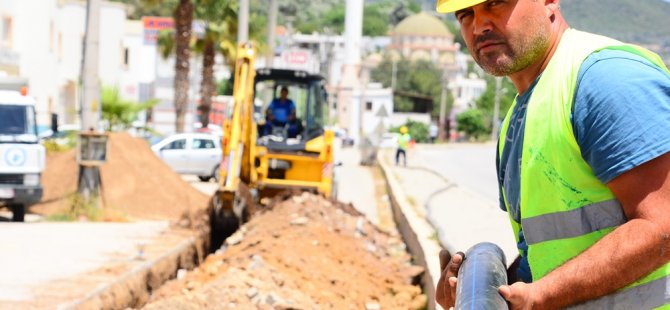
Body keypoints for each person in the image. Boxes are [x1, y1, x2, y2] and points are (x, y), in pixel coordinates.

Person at [434, 0, 670, 309]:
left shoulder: (605, 79)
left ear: (549, 2)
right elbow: (544, 253)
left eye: (495, 4)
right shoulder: (517, 120)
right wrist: (480, 289)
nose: (480, 26)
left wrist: (544, 294)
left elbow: (663, 225)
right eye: (466, 15)